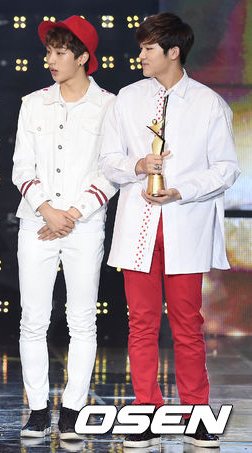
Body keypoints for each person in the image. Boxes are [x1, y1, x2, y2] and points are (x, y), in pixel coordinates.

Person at [99, 12, 240, 448]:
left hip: (184, 226)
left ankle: (197, 413)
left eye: (148, 48)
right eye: (141, 48)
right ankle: (146, 410)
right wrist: (138, 165)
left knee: (187, 325)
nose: (140, 55)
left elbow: (227, 168)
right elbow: (107, 160)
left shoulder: (208, 103)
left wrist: (182, 190)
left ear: (173, 52)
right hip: (139, 229)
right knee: (141, 324)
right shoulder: (126, 99)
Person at [12, 15, 116, 441]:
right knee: (33, 320)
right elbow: (21, 165)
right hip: (37, 222)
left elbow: (111, 170)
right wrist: (47, 210)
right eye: (48, 52)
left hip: (84, 226)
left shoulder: (109, 106)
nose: (50, 60)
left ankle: (73, 410)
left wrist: (73, 213)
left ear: (83, 57)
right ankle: (38, 410)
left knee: (82, 321)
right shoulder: (33, 103)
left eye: (59, 52)